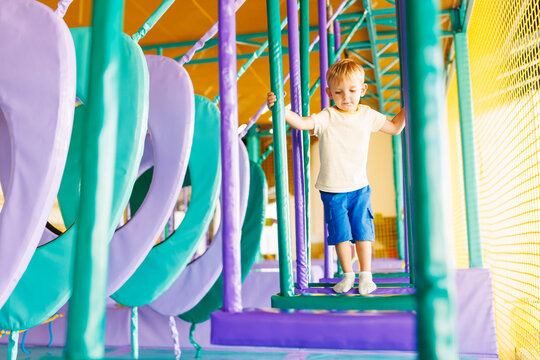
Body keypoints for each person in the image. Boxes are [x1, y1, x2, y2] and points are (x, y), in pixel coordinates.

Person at [266, 59, 405, 295]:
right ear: (330, 93)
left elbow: (394, 127)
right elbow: (301, 123)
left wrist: (409, 103)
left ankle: (366, 275)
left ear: (362, 90)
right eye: (339, 92)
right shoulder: (327, 116)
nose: (346, 97)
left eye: (352, 91)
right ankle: (348, 275)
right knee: (340, 234)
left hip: (359, 186)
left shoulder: (367, 115)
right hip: (332, 189)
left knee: (363, 231)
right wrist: (280, 110)